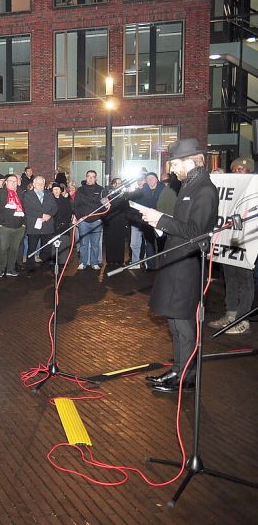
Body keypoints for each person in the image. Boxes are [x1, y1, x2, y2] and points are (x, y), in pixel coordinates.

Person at [138, 139, 218, 393]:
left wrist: (162, 220)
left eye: (174, 164)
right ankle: (178, 368)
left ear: (189, 161)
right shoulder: (188, 185)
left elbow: (196, 231)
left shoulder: (204, 189)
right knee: (173, 321)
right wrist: (160, 224)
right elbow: (182, 224)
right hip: (175, 260)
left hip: (186, 265)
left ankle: (187, 375)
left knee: (183, 323)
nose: (172, 170)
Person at [208, 157, 256, 334]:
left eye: (241, 170)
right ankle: (231, 314)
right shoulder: (232, 187)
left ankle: (243, 319)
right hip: (229, 239)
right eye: (234, 169)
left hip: (246, 241)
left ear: (249, 171)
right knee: (230, 278)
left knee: (245, 280)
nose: (237, 172)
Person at [0, 174, 26, 278]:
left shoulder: (21, 193)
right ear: (6, 182)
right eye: (11, 181)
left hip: (19, 227)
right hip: (4, 227)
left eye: (15, 181)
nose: (13, 183)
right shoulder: (0, 193)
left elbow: (26, 209)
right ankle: (1, 269)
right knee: (3, 249)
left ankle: (11, 269)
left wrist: (24, 224)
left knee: (14, 250)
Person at [22, 176, 58, 273]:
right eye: (38, 183)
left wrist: (49, 215)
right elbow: (27, 209)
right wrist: (42, 215)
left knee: (47, 248)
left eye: (42, 183)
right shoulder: (27, 195)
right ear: (34, 184)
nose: (41, 185)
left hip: (47, 224)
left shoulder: (49, 194)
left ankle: (46, 267)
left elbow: (55, 207)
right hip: (34, 225)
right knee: (32, 247)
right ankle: (30, 267)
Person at [74, 170, 105, 271]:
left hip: (97, 221)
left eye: (93, 176)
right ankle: (83, 262)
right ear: (86, 177)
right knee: (84, 243)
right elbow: (76, 205)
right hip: (84, 221)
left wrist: (101, 218)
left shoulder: (101, 190)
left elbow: (105, 206)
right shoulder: (80, 190)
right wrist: (79, 217)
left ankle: (94, 262)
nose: (91, 178)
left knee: (95, 244)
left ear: (96, 178)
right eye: (89, 176)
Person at [101, 177, 130, 269]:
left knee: (120, 240)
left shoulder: (124, 194)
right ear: (113, 184)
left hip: (121, 220)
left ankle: (119, 260)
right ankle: (110, 260)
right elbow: (103, 204)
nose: (120, 184)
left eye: (121, 183)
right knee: (110, 240)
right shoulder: (107, 193)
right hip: (109, 220)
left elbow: (127, 207)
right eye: (118, 183)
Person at [50, 183, 73, 267]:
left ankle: (63, 260)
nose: (56, 191)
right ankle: (53, 260)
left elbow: (69, 212)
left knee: (64, 242)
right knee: (53, 243)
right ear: (52, 191)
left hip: (64, 225)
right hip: (53, 224)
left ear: (60, 190)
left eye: (58, 189)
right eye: (54, 189)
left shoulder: (65, 200)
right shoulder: (49, 200)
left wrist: (64, 222)